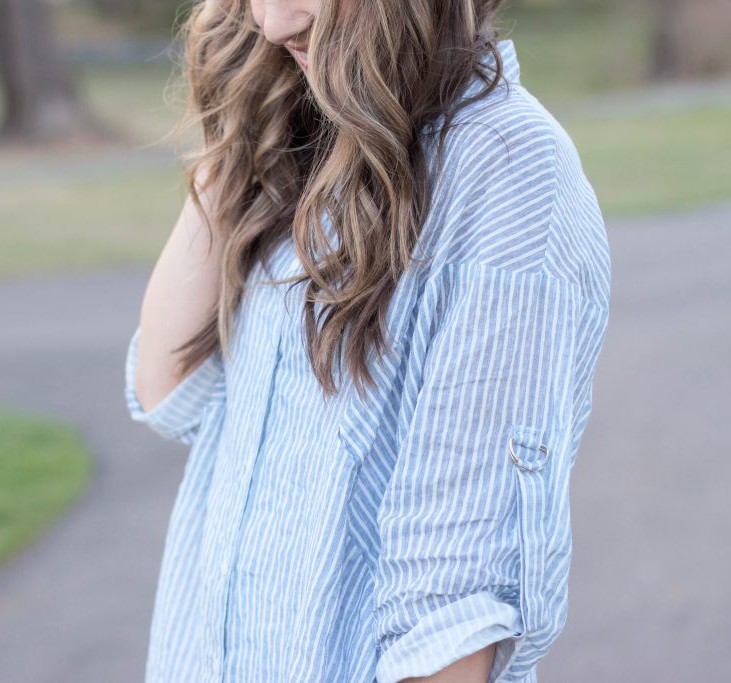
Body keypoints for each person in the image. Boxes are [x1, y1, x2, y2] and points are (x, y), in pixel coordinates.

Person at [124, 1, 612, 682]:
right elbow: (168, 387)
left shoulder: (507, 172)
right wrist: (236, 121)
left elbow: (448, 624)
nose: (271, 23)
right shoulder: (304, 137)